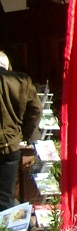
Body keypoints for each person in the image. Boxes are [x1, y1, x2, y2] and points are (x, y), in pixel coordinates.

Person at [0, 51, 42, 212]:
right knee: (5, 197)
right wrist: (23, 134)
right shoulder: (21, 81)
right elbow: (36, 109)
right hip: (10, 145)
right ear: (8, 65)